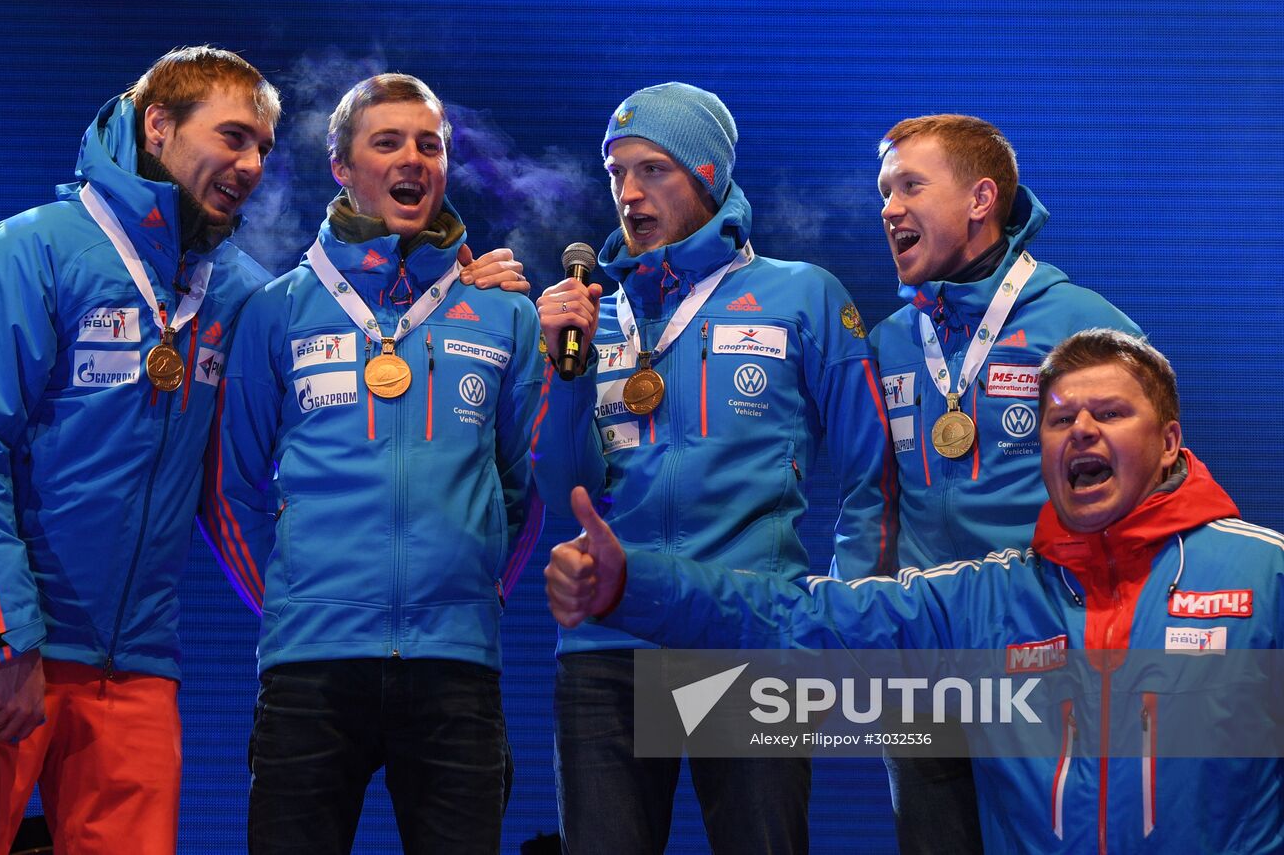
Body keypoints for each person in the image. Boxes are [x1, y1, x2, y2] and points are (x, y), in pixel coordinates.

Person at [0, 48, 529, 855]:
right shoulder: (32, 250)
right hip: (0, 644)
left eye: (262, 144)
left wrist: (451, 283)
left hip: (137, 666)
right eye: (232, 137)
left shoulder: (235, 295)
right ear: (159, 126)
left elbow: (237, 480)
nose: (252, 164)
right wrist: (0, 636)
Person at [547, 328, 1284, 854]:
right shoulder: (991, 602)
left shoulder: (1263, 579)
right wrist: (632, 584)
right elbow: (807, 619)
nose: (1081, 431)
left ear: (1169, 444)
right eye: (1060, 420)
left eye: (1111, 413)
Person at [533, 83, 897, 854]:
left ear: (706, 175)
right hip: (609, 643)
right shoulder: (590, 319)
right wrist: (563, 376)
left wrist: (841, 610)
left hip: (746, 636)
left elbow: (874, 473)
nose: (628, 194)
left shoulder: (802, 296)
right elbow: (566, 491)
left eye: (652, 170)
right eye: (616, 172)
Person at [202, 72, 543, 855]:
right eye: (386, 142)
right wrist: (294, 604)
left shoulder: (503, 313)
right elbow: (230, 489)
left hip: (456, 667)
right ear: (342, 167)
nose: (412, 159)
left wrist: (477, 592)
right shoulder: (275, 311)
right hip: (310, 672)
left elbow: (524, 491)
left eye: (430, 144)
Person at [867, 114, 1142, 851]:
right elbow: (873, 503)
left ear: (980, 198)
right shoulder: (890, 340)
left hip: (1048, 658)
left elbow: (1151, 496)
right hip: (923, 663)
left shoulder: (1084, 327)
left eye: (910, 186)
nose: (889, 207)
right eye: (884, 191)